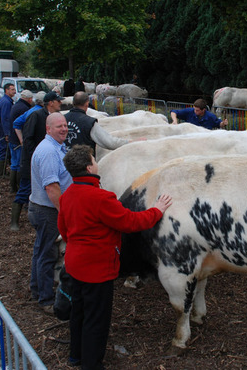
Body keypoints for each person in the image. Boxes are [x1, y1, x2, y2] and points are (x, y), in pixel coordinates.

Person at [58, 145, 172, 369]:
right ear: (90, 167)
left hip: (74, 264)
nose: (96, 161)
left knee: (79, 311)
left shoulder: (68, 195)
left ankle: (76, 355)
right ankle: (91, 364)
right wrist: (157, 209)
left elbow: (63, 230)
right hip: (97, 269)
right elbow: (131, 222)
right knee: (96, 319)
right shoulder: (101, 197)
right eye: (94, 158)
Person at [28, 113, 73, 313]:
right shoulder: (48, 151)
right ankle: (46, 299)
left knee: (41, 250)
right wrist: (64, 213)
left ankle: (37, 289)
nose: (64, 129)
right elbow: (52, 187)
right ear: (48, 129)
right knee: (48, 253)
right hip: (48, 210)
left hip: (43, 208)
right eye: (58, 126)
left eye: (65, 125)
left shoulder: (56, 147)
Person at [11, 92, 64, 232]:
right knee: (25, 189)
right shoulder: (36, 115)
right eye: (58, 101)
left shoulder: (54, 118)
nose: (60, 103)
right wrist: (35, 159)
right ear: (50, 102)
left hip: (48, 162)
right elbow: (28, 139)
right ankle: (14, 222)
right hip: (34, 161)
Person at [64, 91, 129, 152]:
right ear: (87, 104)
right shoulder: (89, 122)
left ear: (73, 103)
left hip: (63, 160)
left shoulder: (62, 119)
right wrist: (129, 142)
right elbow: (110, 142)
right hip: (83, 161)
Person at [7, 90, 33, 193]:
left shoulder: (15, 105)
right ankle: (17, 186)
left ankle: (12, 186)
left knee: (14, 163)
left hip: (12, 138)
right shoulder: (24, 109)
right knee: (18, 164)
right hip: (18, 139)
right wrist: (22, 140)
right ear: (29, 99)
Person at [0, 83, 16, 176]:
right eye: (12, 89)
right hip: (2, 128)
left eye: (14, 89)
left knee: (0, 149)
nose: (14, 91)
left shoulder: (2, 100)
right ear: (6, 90)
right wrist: (7, 133)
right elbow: (5, 118)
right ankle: (1, 172)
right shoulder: (6, 102)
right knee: (3, 149)